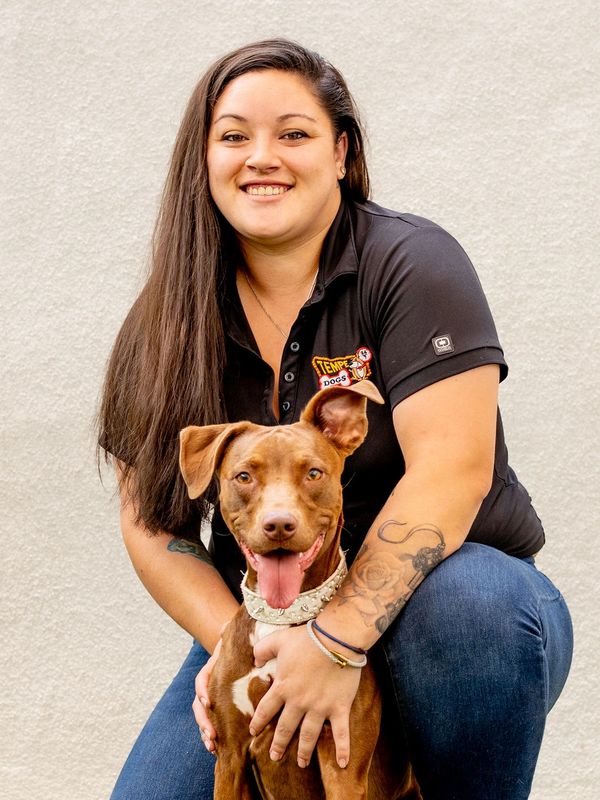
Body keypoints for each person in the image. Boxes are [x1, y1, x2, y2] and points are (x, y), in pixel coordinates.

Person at [99, 38, 573, 800]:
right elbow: (151, 523)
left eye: (293, 133)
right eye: (233, 136)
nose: (262, 157)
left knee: (477, 608)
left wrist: (337, 639)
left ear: (342, 151)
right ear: (204, 158)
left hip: (444, 616)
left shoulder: (412, 262)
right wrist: (239, 648)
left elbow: (453, 470)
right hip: (270, 617)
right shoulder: (167, 320)